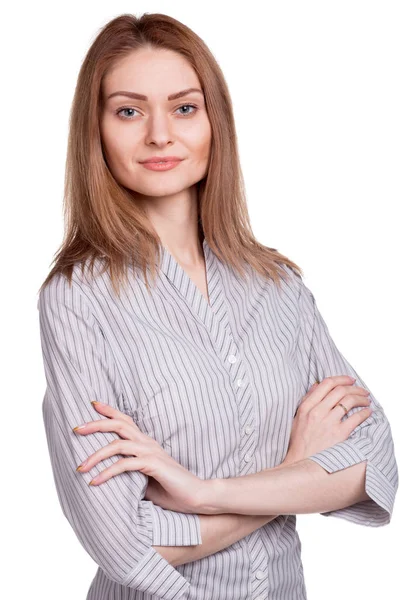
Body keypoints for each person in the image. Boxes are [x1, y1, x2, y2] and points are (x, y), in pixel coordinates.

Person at [37, 13, 398, 600]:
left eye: (184, 108)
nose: (159, 134)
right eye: (129, 110)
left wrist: (204, 493)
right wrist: (293, 479)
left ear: (215, 123)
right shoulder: (78, 299)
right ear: (96, 130)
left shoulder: (279, 286)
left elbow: (374, 463)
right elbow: (122, 540)